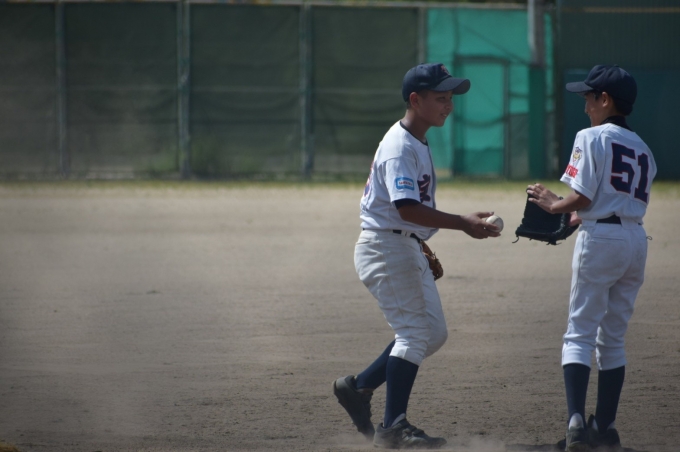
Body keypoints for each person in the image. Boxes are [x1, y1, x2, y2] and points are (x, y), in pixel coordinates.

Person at [332, 63, 500, 450]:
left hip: (400, 243)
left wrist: (422, 240)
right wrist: (461, 223)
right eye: (441, 98)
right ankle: (393, 427)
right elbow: (405, 208)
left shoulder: (416, 140)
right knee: (413, 334)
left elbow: (405, 211)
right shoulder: (399, 147)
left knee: (432, 334)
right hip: (385, 247)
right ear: (415, 100)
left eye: (450, 98)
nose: (449, 105)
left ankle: (358, 387)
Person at [526, 65, 656, 452]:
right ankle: (606, 428)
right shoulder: (644, 148)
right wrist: (583, 212)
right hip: (635, 240)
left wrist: (554, 205)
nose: (585, 107)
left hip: (601, 240)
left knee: (579, 333)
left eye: (589, 98)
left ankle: (576, 427)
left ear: (605, 99)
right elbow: (617, 199)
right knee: (613, 338)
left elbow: (581, 197)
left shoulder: (591, 136)